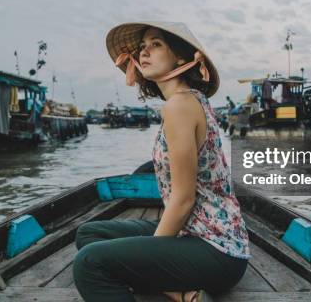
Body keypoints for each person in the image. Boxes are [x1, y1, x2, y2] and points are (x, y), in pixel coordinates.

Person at [73, 22, 250, 302]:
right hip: (193, 232)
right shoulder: (189, 100)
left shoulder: (179, 105)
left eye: (156, 44)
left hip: (216, 249)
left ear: (180, 57)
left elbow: (183, 200)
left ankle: (164, 284)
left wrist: (146, 260)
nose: (145, 52)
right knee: (90, 233)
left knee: (88, 264)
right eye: (142, 47)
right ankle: (184, 296)